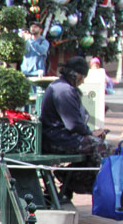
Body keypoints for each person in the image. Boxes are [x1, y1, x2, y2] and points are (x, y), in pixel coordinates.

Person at [40, 55, 110, 201]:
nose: (83, 81)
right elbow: (73, 124)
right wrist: (91, 134)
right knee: (103, 148)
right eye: (83, 76)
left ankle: (68, 182)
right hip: (57, 139)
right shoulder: (64, 90)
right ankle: (69, 180)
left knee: (95, 149)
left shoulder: (64, 87)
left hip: (61, 136)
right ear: (76, 74)